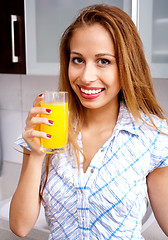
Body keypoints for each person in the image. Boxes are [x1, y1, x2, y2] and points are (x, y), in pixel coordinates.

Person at [9, 4, 168, 240]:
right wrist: (36, 155)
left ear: (127, 66)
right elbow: (20, 227)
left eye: (103, 61)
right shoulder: (48, 128)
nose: (86, 76)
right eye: (78, 60)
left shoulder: (151, 135)